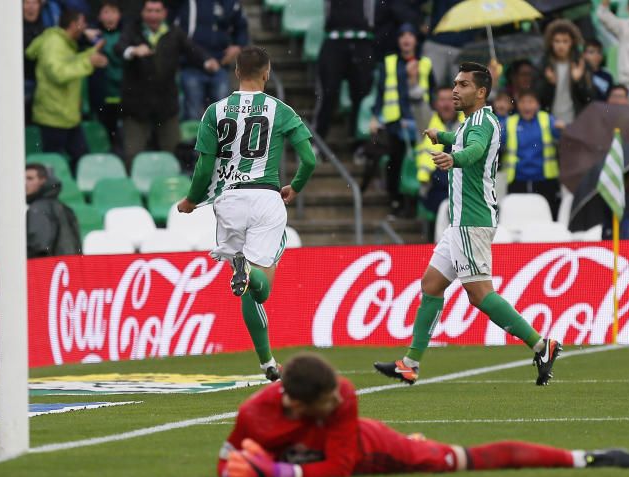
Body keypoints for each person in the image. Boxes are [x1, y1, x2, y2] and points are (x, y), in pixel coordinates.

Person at [374, 63, 563, 387]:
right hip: (460, 222)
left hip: (471, 221)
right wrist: (442, 136)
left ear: (480, 92)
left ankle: (542, 345)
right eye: (454, 84)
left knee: (479, 293)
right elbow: (466, 140)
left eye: (462, 85)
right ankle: (409, 364)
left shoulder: (480, 123)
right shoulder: (473, 122)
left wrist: (453, 158)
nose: (454, 91)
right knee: (431, 285)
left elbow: (473, 150)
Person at [219, 353, 629, 477]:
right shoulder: (254, 415)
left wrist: (273, 471)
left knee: (467, 459)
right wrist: (244, 466)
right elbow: (226, 464)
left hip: (380, 451)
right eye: (327, 404)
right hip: (355, 449)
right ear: (294, 402)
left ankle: (586, 457)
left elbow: (341, 466)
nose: (342, 402)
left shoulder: (341, 393)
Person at [175, 47, 316, 382]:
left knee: (248, 280)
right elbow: (310, 160)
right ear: (267, 73)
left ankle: (267, 362)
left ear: (236, 72)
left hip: (229, 201)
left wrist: (192, 200)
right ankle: (249, 273)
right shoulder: (280, 110)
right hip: (267, 198)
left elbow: (204, 165)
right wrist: (295, 187)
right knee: (261, 287)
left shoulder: (215, 111)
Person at [116, 0, 220, 168]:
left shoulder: (174, 32)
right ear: (142, 13)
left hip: (166, 106)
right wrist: (133, 51)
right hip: (136, 107)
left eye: (157, 11)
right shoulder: (131, 30)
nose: (153, 15)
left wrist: (206, 61)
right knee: (132, 156)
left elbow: (192, 49)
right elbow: (119, 47)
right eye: (149, 11)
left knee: (173, 154)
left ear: (164, 13)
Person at [25, 9, 109, 164]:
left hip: (67, 116)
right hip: (53, 116)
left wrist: (90, 54)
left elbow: (70, 62)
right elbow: (59, 73)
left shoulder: (64, 43)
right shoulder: (54, 43)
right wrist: (88, 62)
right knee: (53, 163)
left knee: (82, 159)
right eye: (82, 24)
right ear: (73, 24)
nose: (84, 28)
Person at [370, 23, 436, 216]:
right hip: (395, 121)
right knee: (396, 162)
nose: (406, 39)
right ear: (398, 40)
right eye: (402, 35)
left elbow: (431, 93)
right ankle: (397, 200)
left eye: (410, 35)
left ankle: (417, 201)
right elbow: (381, 91)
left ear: (416, 40)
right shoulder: (389, 62)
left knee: (420, 161)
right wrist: (375, 116)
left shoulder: (425, 63)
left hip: (420, 121)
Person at [173, 0, 250, 121]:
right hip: (190, 64)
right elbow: (176, 31)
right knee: (193, 115)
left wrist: (238, 46)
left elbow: (242, 27)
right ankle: (194, 140)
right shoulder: (183, 3)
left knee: (223, 115)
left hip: (220, 65)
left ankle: (220, 139)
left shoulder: (231, 3)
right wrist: (203, 59)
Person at [314, 0, 376, 145]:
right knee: (328, 93)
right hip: (334, 40)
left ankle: (359, 143)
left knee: (361, 94)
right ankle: (317, 141)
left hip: (363, 41)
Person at [503, 90, 564, 220]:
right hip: (518, 180)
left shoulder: (547, 119)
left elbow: (560, 136)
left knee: (549, 218)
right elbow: (498, 141)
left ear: (537, 104)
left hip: (545, 180)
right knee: (517, 218)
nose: (527, 106)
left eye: (530, 102)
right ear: (517, 105)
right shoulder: (509, 122)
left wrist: (561, 129)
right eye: (523, 102)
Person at [411, 86, 463, 227]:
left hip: (462, 187)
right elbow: (417, 104)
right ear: (435, 104)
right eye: (442, 100)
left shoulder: (467, 123)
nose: (446, 104)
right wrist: (414, 81)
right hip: (434, 189)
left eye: (450, 100)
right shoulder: (427, 122)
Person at [537, 19, 595, 125]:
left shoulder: (581, 64)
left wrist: (577, 81)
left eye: (565, 41)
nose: (561, 45)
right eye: (557, 41)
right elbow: (538, 99)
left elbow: (590, 98)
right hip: (550, 123)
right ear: (551, 42)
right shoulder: (544, 65)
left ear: (572, 42)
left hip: (576, 122)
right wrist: (550, 84)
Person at [88, 1, 124, 149]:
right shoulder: (89, 37)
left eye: (113, 12)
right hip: (101, 98)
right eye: (106, 12)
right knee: (102, 139)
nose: (110, 17)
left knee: (121, 140)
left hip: (124, 97)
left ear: (119, 15)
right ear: (99, 16)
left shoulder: (128, 35)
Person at [26, 163, 82, 257]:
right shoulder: (64, 208)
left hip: (48, 267)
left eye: (30, 178)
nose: (25, 183)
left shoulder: (38, 209)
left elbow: (39, 246)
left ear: (42, 181)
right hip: (68, 266)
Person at [422, 0, 475, 86]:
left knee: (464, 89)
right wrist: (418, 22)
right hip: (436, 43)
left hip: (464, 47)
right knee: (429, 86)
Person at [23, 0, 45, 120]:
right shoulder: (12, 30)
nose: (30, 7)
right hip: (21, 83)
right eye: (27, 3)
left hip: (41, 83)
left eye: (34, 3)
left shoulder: (46, 29)